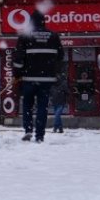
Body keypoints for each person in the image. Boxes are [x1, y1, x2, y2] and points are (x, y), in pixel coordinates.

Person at [12, 10, 62, 143]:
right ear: (43, 21)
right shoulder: (53, 36)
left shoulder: (25, 36)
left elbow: (18, 59)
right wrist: (54, 71)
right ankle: (40, 135)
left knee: (27, 105)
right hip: (46, 80)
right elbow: (60, 56)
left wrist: (17, 75)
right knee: (42, 107)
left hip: (29, 79)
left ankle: (28, 130)